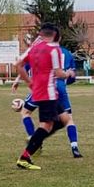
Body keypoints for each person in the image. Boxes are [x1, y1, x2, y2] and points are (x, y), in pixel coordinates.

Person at [14, 31, 82, 158]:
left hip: (44, 88)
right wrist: (67, 77)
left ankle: (33, 139)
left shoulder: (43, 50)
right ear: (59, 38)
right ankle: (74, 147)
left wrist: (19, 80)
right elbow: (71, 77)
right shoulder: (67, 53)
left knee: (27, 113)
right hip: (60, 88)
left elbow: (26, 65)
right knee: (68, 119)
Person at [14, 24, 65, 170]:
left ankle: (35, 139)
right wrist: (69, 73)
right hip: (48, 93)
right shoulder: (54, 49)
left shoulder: (34, 48)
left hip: (42, 91)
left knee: (63, 119)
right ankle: (25, 156)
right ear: (55, 35)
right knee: (46, 125)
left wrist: (29, 82)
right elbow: (59, 73)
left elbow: (18, 64)